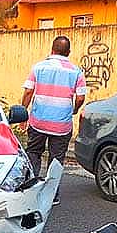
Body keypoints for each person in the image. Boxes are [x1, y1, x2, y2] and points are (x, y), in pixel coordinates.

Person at [21, 36, 88, 205]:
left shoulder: (39, 67)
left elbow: (28, 92)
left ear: (52, 50)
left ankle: (31, 190)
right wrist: (73, 109)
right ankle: (53, 195)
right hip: (62, 125)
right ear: (68, 52)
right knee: (56, 158)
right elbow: (81, 97)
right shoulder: (76, 71)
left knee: (34, 153)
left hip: (38, 122)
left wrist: (23, 115)